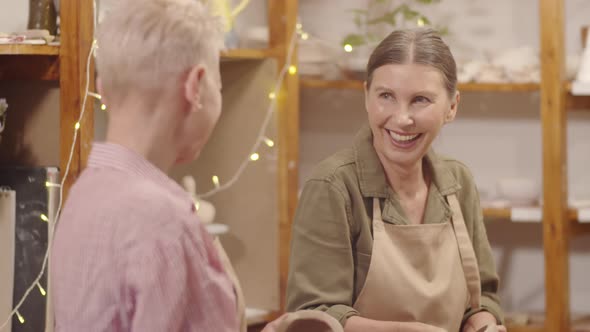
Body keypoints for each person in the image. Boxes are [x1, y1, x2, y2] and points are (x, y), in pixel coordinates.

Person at [286, 28, 506, 332]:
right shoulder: (333, 186)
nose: (402, 118)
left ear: (452, 106)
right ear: (366, 96)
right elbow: (313, 317)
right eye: (386, 96)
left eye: (420, 100)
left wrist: (483, 323)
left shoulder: (459, 181)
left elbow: (482, 298)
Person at [50, 0, 240, 330]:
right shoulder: (166, 223)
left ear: (103, 90)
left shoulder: (81, 195)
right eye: (218, 85)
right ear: (195, 85)